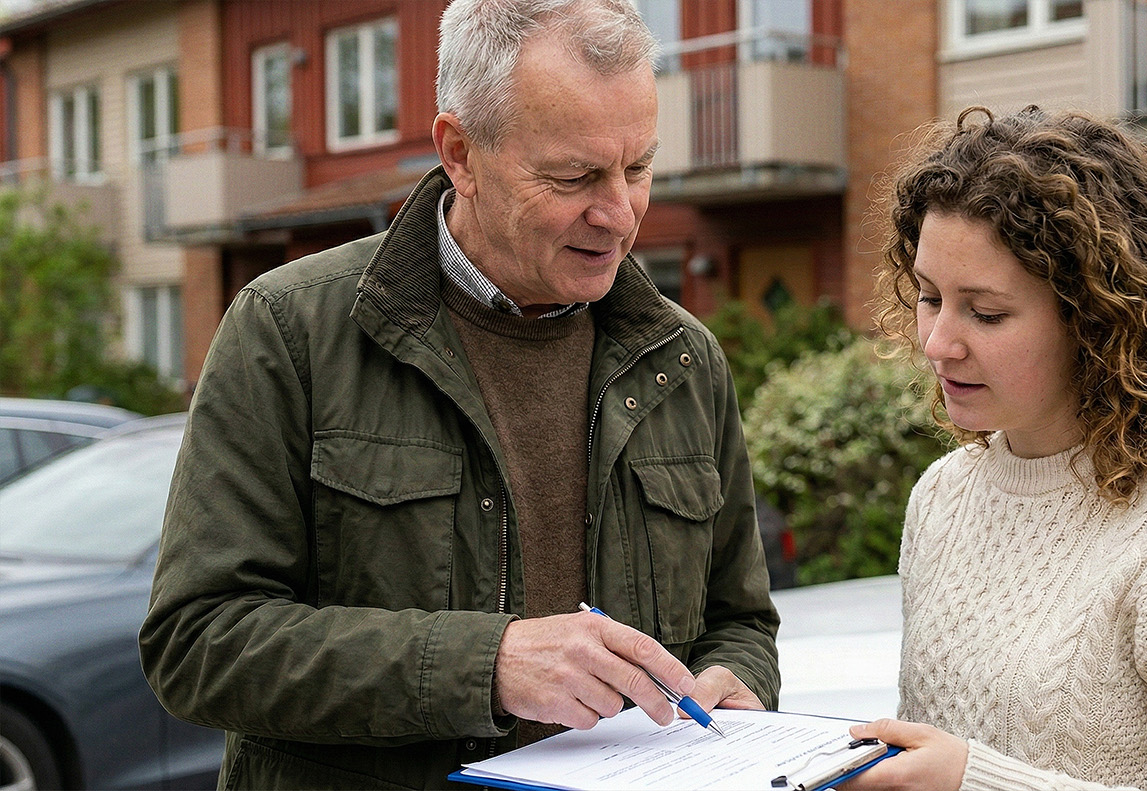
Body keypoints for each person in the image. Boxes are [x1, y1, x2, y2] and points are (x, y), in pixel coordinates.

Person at [138, 1, 779, 788]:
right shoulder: (288, 329)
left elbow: (741, 621)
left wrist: (739, 679)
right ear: (460, 154)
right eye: (573, 177)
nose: (619, 214)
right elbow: (197, 642)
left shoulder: (683, 358)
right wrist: (488, 663)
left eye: (638, 168)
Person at [846, 107, 1147, 791]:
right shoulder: (943, 496)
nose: (938, 342)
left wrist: (975, 780)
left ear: (1096, 319)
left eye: (986, 312)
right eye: (929, 297)